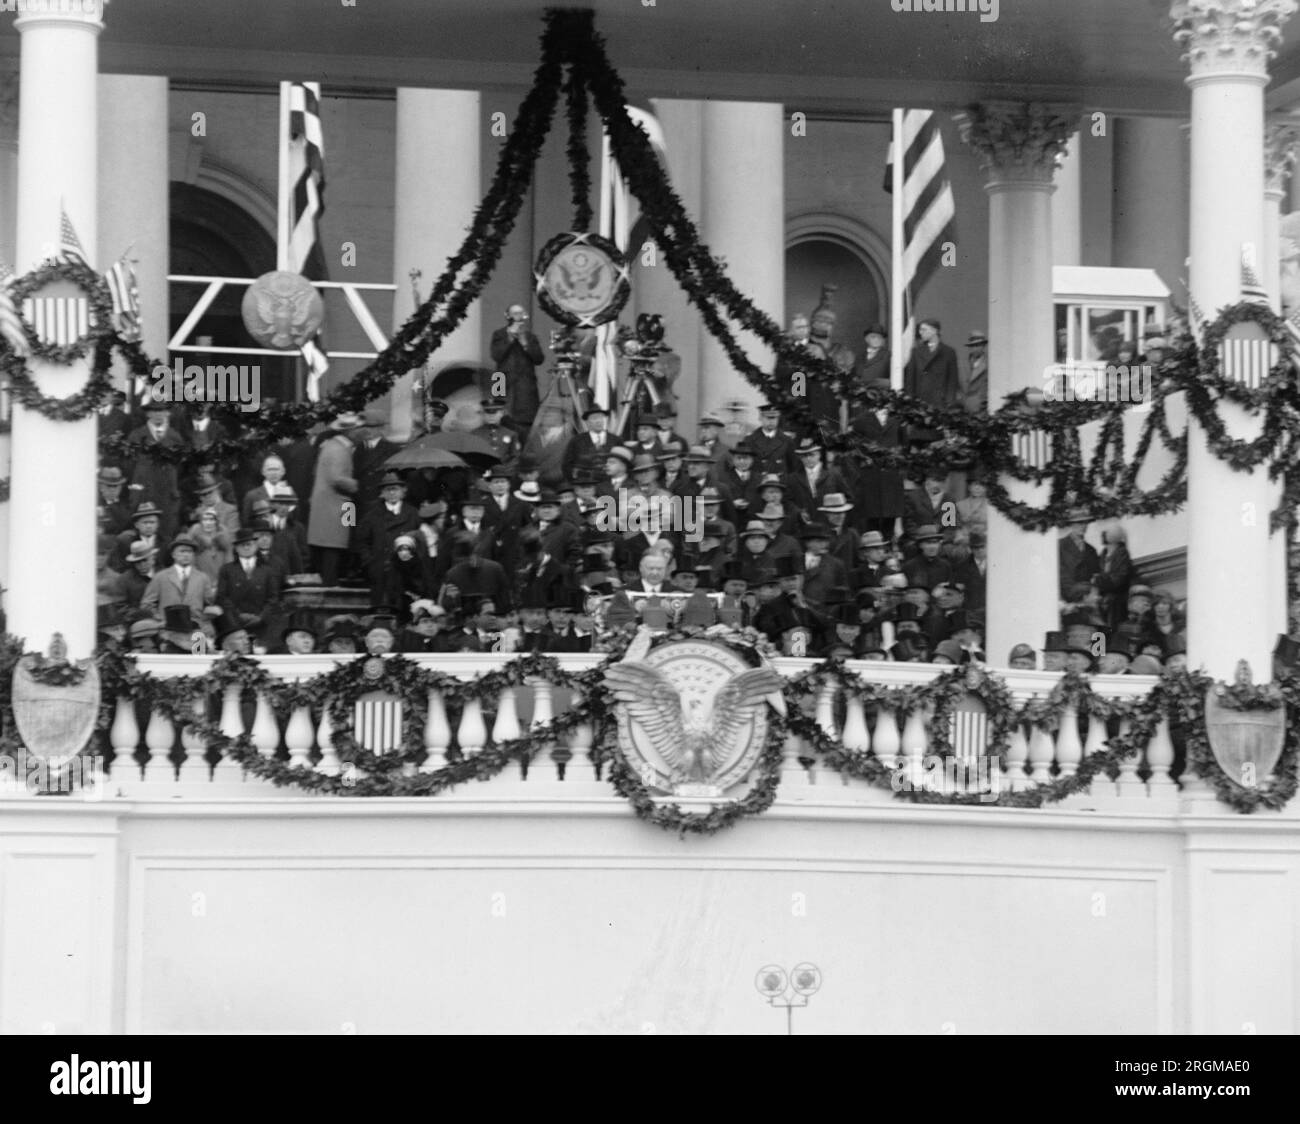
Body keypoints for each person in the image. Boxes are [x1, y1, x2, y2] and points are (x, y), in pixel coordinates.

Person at [307, 412, 362, 585]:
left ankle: (337, 580)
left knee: (340, 544)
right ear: (350, 431)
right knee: (334, 546)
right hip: (337, 506)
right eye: (358, 429)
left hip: (341, 505)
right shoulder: (338, 450)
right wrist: (357, 485)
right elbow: (337, 478)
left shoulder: (333, 446)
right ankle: (332, 584)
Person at [354, 470, 422, 596]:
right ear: (382, 493)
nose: (392, 493)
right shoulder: (372, 515)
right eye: (388, 489)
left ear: (403, 491)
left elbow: (420, 541)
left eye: (395, 489)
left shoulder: (413, 514)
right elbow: (362, 541)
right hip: (380, 571)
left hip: (405, 572)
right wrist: (370, 563)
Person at [216, 527, 283, 647]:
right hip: (235, 625)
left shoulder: (267, 571)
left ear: (256, 546)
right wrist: (238, 616)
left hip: (262, 625)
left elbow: (273, 598)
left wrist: (261, 617)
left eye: (249, 544)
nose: (246, 547)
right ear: (236, 548)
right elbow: (222, 597)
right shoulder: (227, 570)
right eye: (242, 545)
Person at [489, 303, 546, 436]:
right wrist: (509, 338)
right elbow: (496, 356)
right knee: (500, 416)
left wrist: (525, 343)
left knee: (525, 421)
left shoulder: (530, 337)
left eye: (521, 313)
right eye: (515, 313)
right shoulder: (499, 334)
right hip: (501, 381)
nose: (518, 316)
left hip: (525, 385)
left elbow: (539, 359)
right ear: (508, 316)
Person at [902, 318, 960, 445]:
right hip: (921, 406)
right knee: (919, 443)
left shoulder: (949, 352)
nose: (920, 332)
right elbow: (910, 381)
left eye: (924, 329)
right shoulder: (916, 352)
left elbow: (952, 381)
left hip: (940, 406)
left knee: (939, 443)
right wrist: (910, 404)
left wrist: (949, 404)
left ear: (934, 331)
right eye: (920, 330)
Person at [1059, 508, 1101, 606]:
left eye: (1085, 523)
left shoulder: (1091, 550)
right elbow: (1062, 579)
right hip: (1066, 599)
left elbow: (1096, 576)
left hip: (1089, 598)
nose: (1083, 526)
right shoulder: (1060, 546)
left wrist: (1093, 592)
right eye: (1079, 523)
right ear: (1071, 525)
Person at [748, 402, 799, 477]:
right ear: (760, 418)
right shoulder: (750, 440)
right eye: (768, 418)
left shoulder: (787, 440)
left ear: (778, 418)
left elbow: (793, 466)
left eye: (774, 418)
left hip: (781, 483)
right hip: (758, 483)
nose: (771, 421)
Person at [472, 396, 522, 467]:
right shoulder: (474, 434)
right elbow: (470, 456)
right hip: (481, 472)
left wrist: (505, 468)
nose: (491, 416)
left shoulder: (511, 434)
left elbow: (515, 456)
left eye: (494, 413)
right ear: (483, 414)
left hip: (504, 473)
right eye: (487, 413)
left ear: (502, 413)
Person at [961, 331, 989, 413]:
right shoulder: (962, 364)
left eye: (977, 345)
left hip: (981, 407)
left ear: (983, 346)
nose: (974, 348)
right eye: (972, 346)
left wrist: (983, 400)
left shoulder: (989, 364)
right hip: (963, 408)